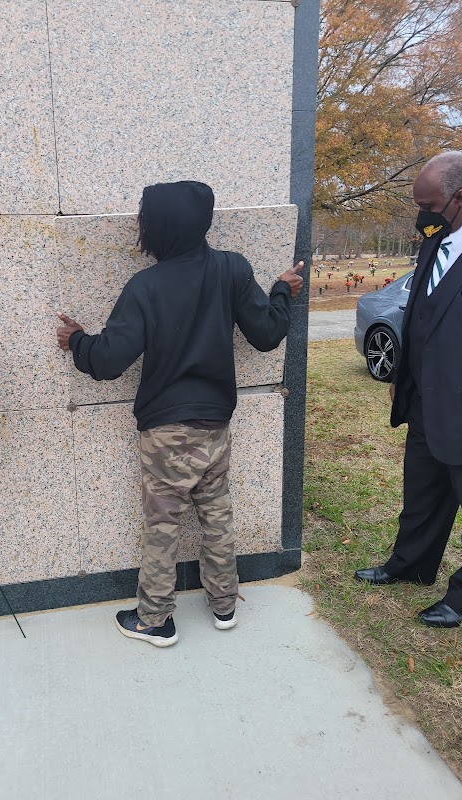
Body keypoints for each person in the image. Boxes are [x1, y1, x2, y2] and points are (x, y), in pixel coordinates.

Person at [56, 181, 304, 646]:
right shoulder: (231, 268)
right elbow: (267, 333)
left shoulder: (146, 286)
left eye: (143, 220)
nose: (139, 227)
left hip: (166, 432)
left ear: (160, 227)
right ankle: (225, 605)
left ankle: (154, 620)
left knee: (162, 527)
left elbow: (108, 362)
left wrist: (77, 342)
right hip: (216, 425)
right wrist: (281, 291)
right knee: (216, 515)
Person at [355, 151, 462, 628]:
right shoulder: (435, 239)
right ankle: (412, 564)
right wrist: (403, 378)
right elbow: (421, 313)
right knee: (421, 491)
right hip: (425, 398)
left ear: (461, 198)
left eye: (429, 203)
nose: (422, 213)